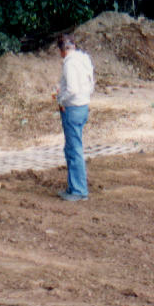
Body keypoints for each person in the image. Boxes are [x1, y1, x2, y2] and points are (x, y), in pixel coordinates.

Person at [55, 33, 94, 201]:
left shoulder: (69, 64)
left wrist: (60, 99)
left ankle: (78, 190)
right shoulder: (84, 60)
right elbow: (90, 83)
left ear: (63, 50)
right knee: (72, 148)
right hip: (83, 106)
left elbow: (71, 89)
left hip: (72, 108)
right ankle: (74, 187)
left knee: (74, 149)